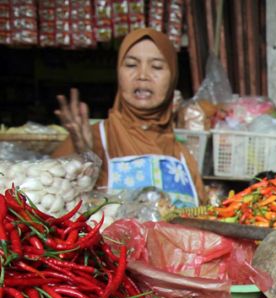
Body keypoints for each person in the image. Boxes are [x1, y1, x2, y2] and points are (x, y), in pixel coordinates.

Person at [53, 28, 207, 207]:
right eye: (131, 65)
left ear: (172, 78)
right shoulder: (94, 138)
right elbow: (52, 207)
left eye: (156, 66)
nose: (142, 76)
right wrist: (83, 159)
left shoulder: (182, 156)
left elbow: (201, 218)